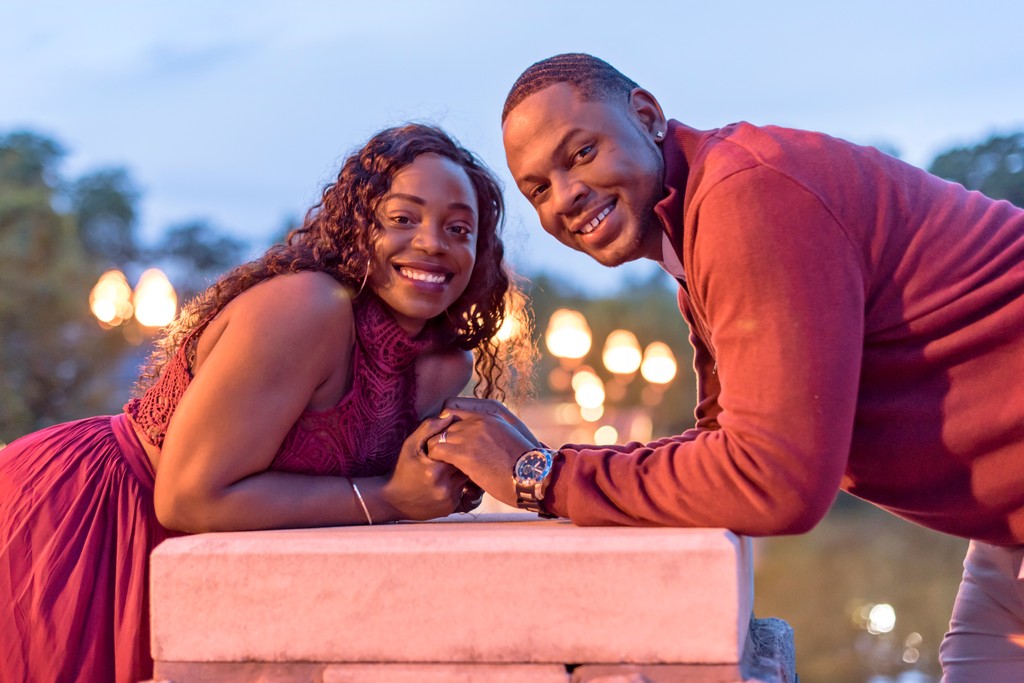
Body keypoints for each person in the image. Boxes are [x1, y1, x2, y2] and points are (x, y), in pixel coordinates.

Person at [424, 53, 1024, 681]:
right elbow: (723, 444)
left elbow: (774, 481)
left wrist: (540, 476)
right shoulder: (701, 226)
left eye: (581, 153)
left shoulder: (749, 198)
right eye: (538, 190)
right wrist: (546, 461)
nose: (566, 197)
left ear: (647, 115)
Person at [0, 123, 526, 683]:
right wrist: (394, 495)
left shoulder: (444, 365)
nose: (433, 242)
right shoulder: (308, 307)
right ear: (358, 226)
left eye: (459, 229)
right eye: (402, 218)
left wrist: (472, 453)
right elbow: (186, 499)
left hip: (210, 573)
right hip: (89, 521)